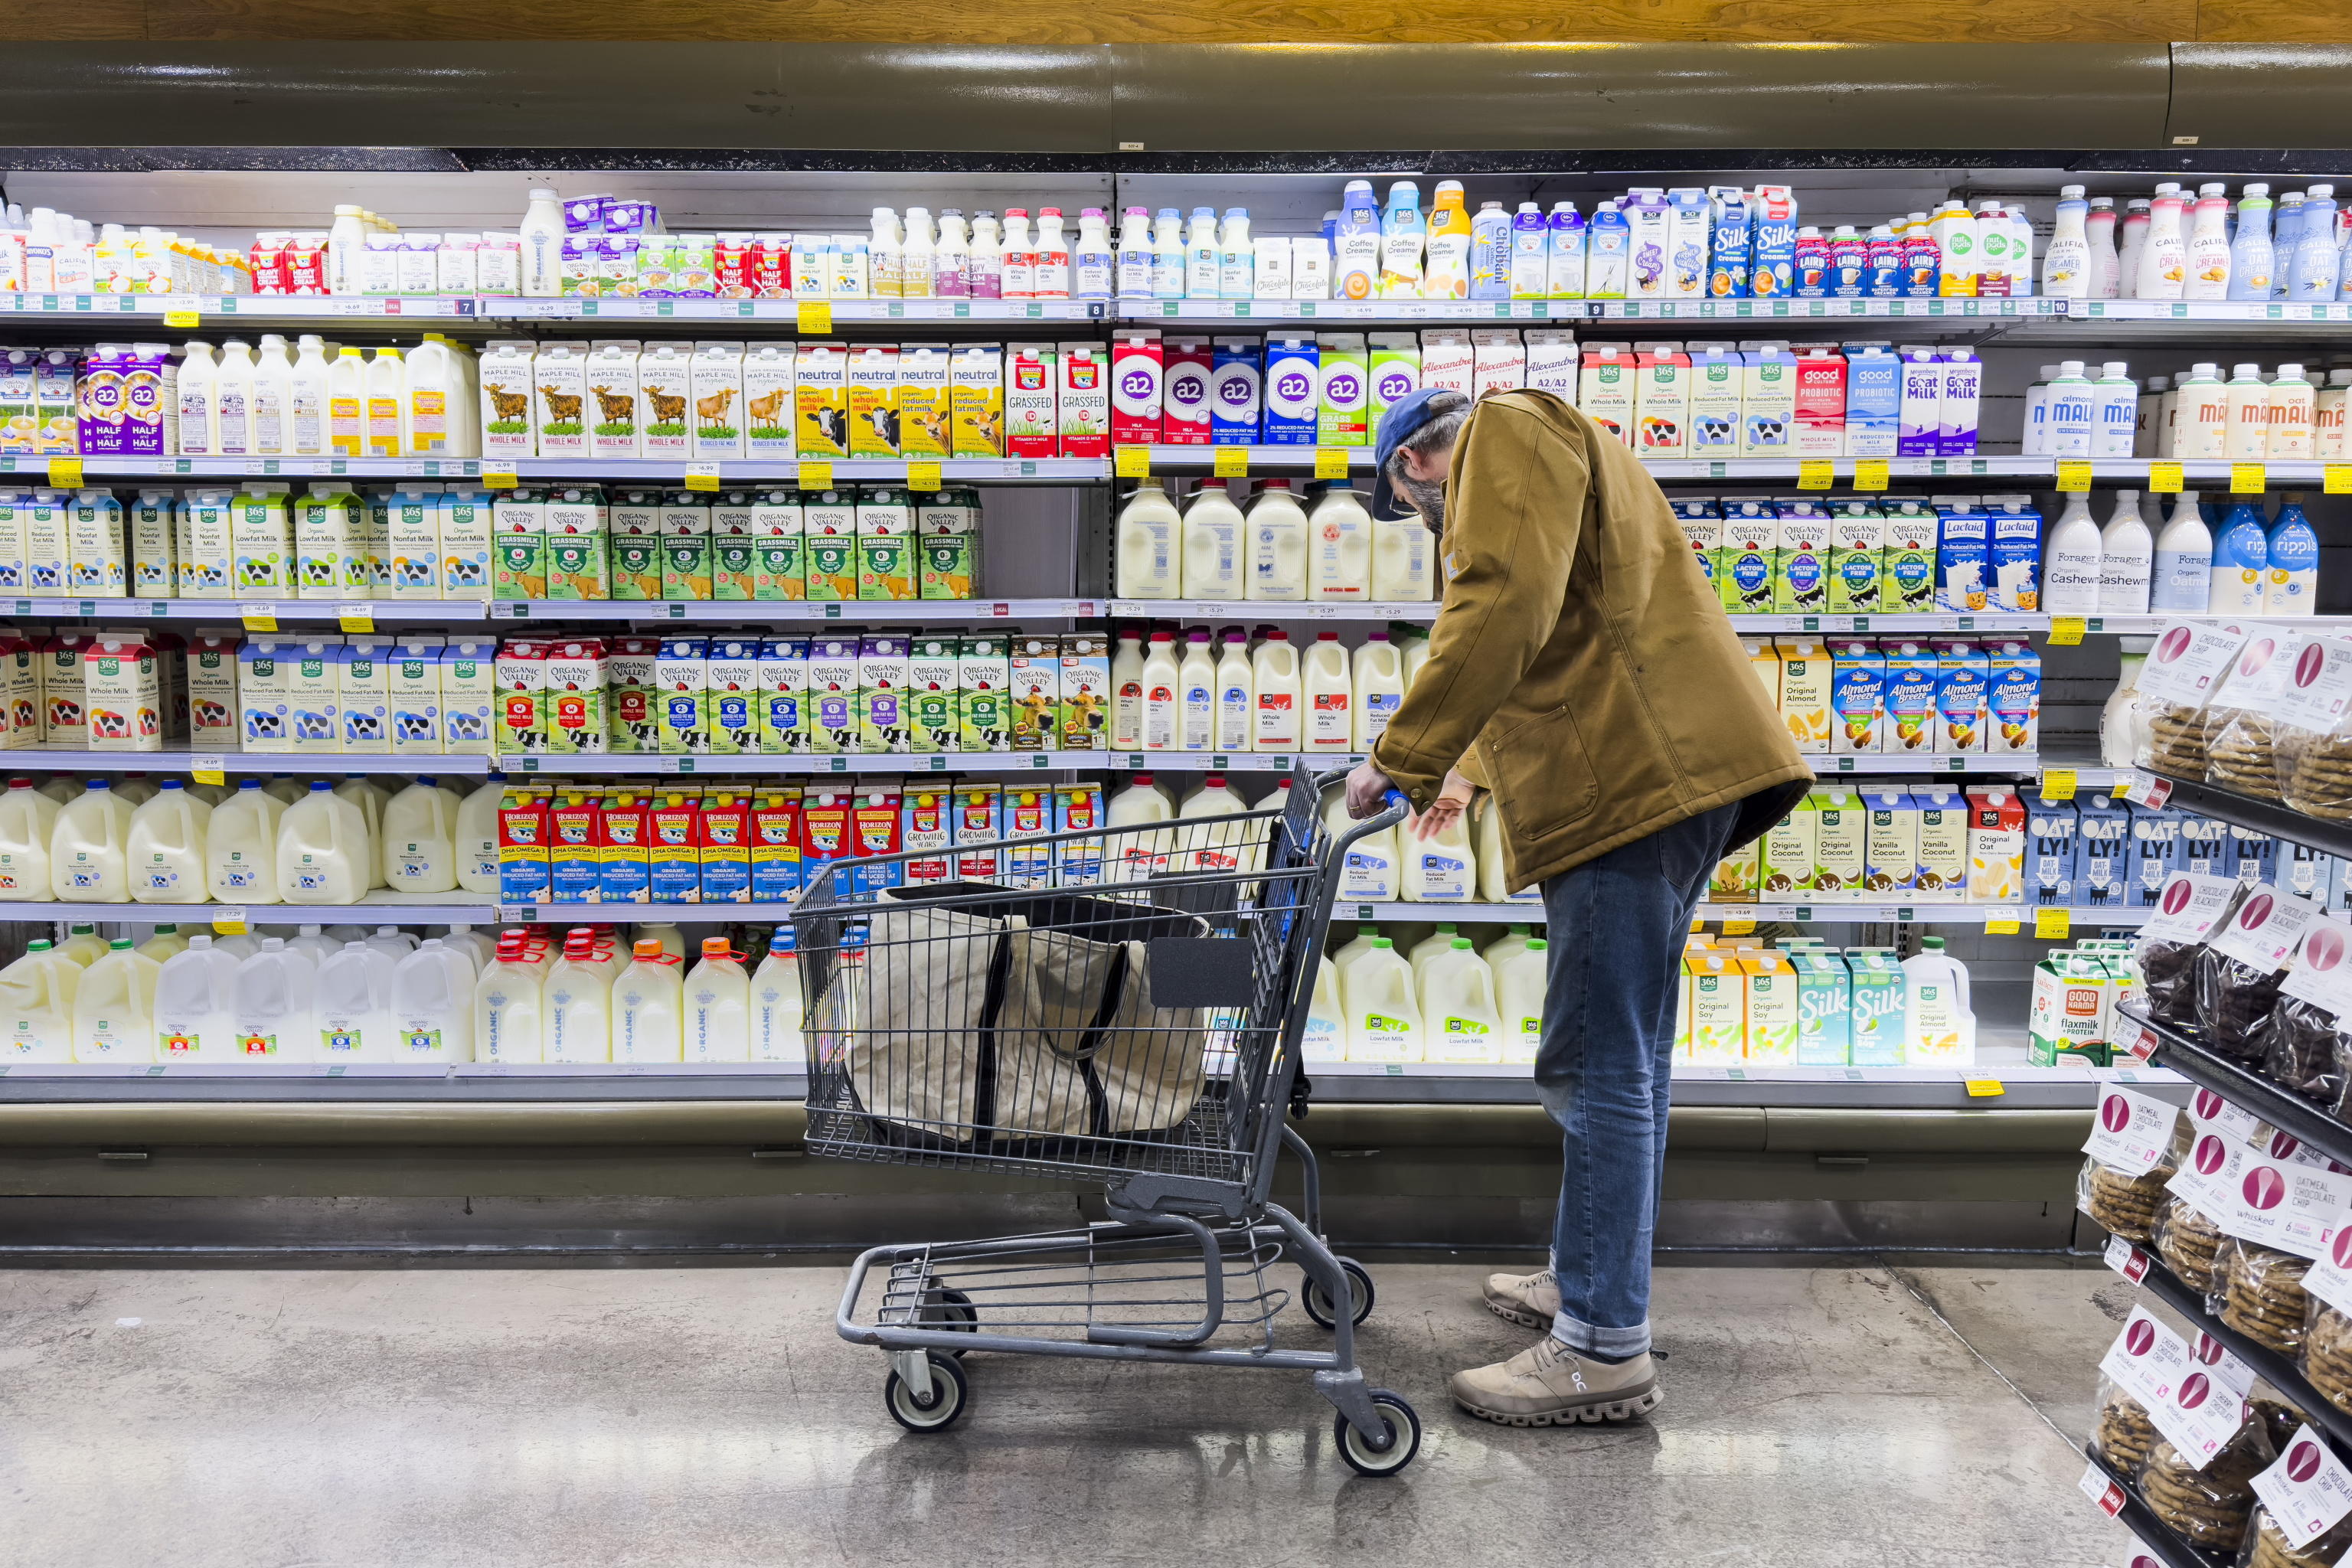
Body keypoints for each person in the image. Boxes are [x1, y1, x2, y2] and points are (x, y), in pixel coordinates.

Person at [1344, 386, 1809, 1427]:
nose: (1431, 531)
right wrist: (1457, 768)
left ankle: (1601, 1346)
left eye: (1413, 511)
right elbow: (1550, 627)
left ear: (1416, 467)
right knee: (1626, 1056)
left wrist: (1402, 756)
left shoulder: (1507, 432)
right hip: (1652, 771)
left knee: (1596, 1058)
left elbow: (1503, 602)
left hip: (1632, 783)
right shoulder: (1548, 448)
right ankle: (1584, 1278)